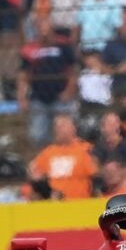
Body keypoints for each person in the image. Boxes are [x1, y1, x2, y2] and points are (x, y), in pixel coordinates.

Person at [18, 16, 77, 146]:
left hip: (60, 97)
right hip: (38, 98)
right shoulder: (29, 49)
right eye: (40, 25)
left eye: (45, 24)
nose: (43, 29)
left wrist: (69, 91)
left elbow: (72, 71)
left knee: (64, 134)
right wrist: (22, 97)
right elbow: (23, 75)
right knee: (37, 136)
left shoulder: (63, 45)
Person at [28, 114, 97, 200]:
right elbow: (34, 170)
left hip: (79, 202)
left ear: (73, 128)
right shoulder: (49, 152)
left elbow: (96, 173)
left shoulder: (86, 149)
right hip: (54, 203)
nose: (59, 129)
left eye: (63, 126)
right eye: (57, 127)